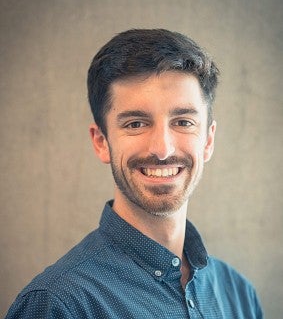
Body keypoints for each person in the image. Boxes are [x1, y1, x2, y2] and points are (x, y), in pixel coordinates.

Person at [6, 29, 263, 318]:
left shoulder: (240, 295)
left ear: (208, 140)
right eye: (136, 124)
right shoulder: (57, 304)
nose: (163, 149)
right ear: (101, 142)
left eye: (183, 121)